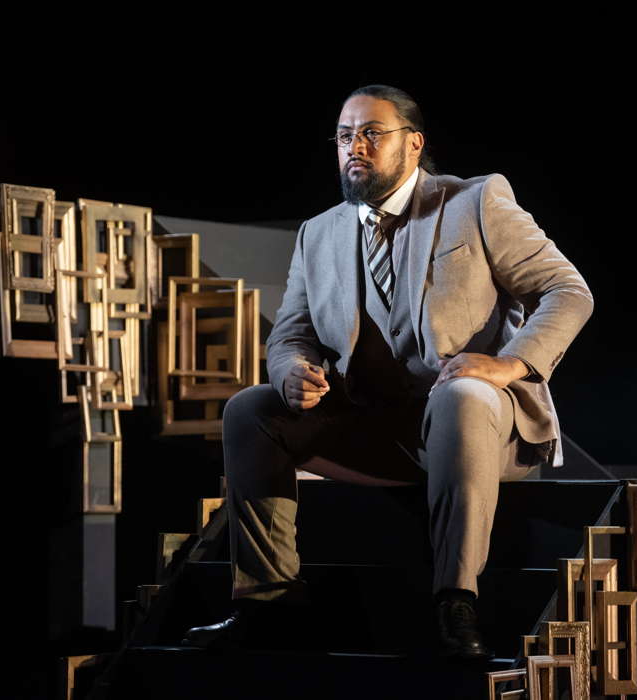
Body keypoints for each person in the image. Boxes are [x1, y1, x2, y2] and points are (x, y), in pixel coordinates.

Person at [181, 85, 593, 659]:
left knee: (462, 395)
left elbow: (567, 291)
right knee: (251, 408)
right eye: (346, 136)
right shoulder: (318, 232)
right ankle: (265, 603)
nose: (357, 146)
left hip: (480, 428)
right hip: (379, 432)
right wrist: (293, 368)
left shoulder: (476, 202)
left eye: (372, 133)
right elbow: (292, 332)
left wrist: (508, 364)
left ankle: (456, 600)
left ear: (415, 143)